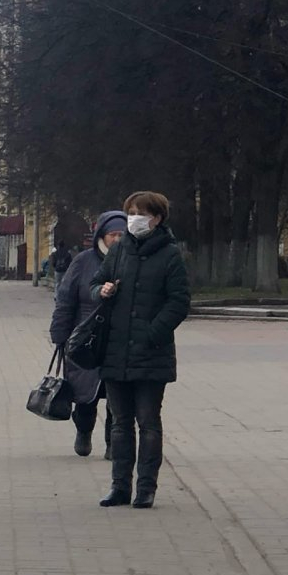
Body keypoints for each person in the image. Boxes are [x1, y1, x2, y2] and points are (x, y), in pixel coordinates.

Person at [91, 192, 191, 509]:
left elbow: (179, 302)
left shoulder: (170, 255)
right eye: (131, 212)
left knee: (148, 422)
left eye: (141, 213)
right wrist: (102, 290)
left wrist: (152, 333)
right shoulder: (119, 250)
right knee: (120, 424)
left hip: (151, 352)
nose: (134, 218)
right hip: (116, 350)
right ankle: (119, 486)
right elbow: (96, 283)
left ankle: (146, 488)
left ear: (157, 219)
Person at [50, 211, 127, 459]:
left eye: (122, 234)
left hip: (119, 337)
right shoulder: (83, 261)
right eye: (113, 234)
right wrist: (60, 334)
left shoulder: (132, 261)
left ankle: (113, 443)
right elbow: (65, 299)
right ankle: (83, 431)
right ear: (101, 236)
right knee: (85, 396)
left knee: (117, 394)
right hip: (85, 338)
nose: (118, 239)